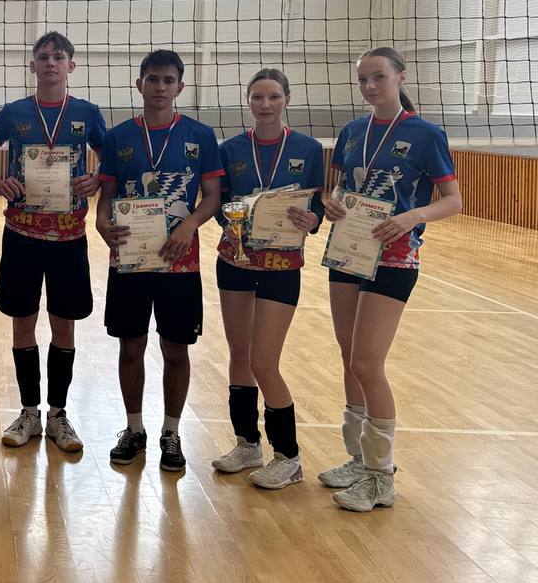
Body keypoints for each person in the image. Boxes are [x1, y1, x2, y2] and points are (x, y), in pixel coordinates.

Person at [321, 47, 461, 512]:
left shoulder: (426, 134)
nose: (369, 86)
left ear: (401, 77)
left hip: (394, 256)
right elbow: (340, 187)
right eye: (363, 79)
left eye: (378, 77)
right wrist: (332, 202)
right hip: (347, 250)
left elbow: (453, 200)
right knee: (348, 356)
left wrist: (411, 217)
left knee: (367, 362)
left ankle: (381, 476)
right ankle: (359, 459)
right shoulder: (351, 131)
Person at [96, 49, 222, 472]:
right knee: (130, 347)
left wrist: (190, 225)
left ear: (180, 87)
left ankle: (171, 432)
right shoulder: (118, 137)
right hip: (129, 259)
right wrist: (100, 221)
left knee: (176, 349)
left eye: (169, 80)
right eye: (153, 79)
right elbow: (107, 195)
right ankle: (134, 429)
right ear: (140, 84)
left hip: (179, 262)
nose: (160, 87)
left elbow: (213, 196)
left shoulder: (200, 136)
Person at [0, 31, 106, 453]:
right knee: (22, 322)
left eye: (58, 57)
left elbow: (111, 157)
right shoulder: (15, 112)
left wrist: (96, 178)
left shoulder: (87, 113)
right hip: (22, 234)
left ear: (70, 65)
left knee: (63, 325)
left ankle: (57, 413)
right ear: (33, 65)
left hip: (69, 237)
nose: (51, 63)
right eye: (43, 57)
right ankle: (29, 412)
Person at [211, 69, 324, 489]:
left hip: (281, 265)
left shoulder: (308, 149)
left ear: (286, 99)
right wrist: (233, 218)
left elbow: (317, 205)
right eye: (257, 97)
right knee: (239, 354)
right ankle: (247, 444)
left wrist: (313, 220)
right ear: (248, 101)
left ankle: (289, 457)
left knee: (263, 360)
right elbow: (220, 203)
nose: (265, 104)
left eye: (273, 96)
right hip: (236, 260)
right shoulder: (230, 149)